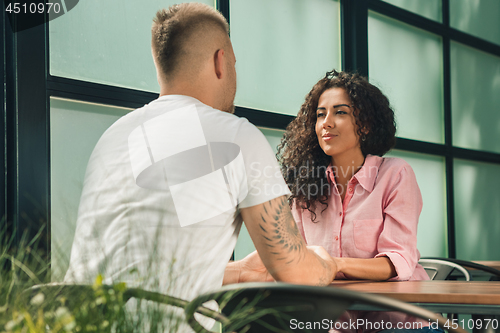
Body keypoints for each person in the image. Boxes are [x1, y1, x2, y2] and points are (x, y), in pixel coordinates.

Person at [64, 3, 337, 330]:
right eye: (235, 64)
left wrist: (238, 271)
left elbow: (142, 269)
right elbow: (297, 272)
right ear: (220, 61)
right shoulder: (235, 136)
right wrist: (326, 262)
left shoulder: (112, 138)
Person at [277, 70, 433, 332]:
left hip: (400, 325)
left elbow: (397, 262)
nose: (326, 122)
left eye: (340, 112)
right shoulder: (304, 188)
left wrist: (334, 265)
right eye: (320, 114)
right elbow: (296, 259)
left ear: (365, 124)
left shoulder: (395, 174)